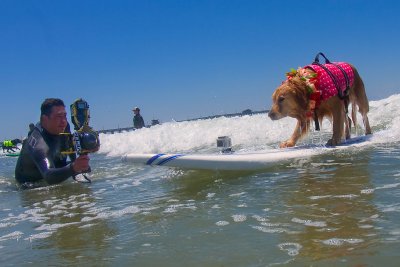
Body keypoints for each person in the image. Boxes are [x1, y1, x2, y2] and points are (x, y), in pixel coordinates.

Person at [15, 98, 90, 186]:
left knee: (86, 169)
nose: (64, 121)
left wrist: (77, 166)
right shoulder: (39, 143)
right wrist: (73, 168)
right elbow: (48, 176)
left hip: (53, 167)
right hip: (31, 183)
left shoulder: (64, 126)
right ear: (45, 119)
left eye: (65, 116)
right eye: (59, 116)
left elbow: (68, 146)